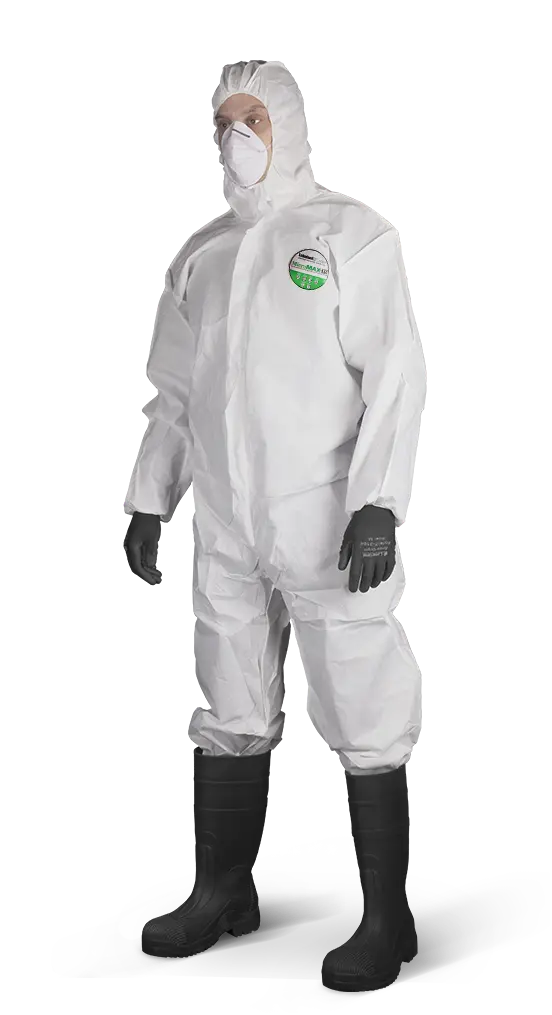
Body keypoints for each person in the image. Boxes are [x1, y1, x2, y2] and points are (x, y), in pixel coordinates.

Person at [130, 61, 425, 992]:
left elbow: (396, 373)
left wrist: (380, 500)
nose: (237, 136)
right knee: (226, 702)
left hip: (326, 516)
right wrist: (148, 497)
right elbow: (172, 390)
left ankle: (387, 917)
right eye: (224, 120)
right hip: (225, 521)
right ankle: (222, 889)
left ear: (289, 124)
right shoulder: (202, 253)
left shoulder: (348, 233)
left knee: (364, 704)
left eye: (252, 117)